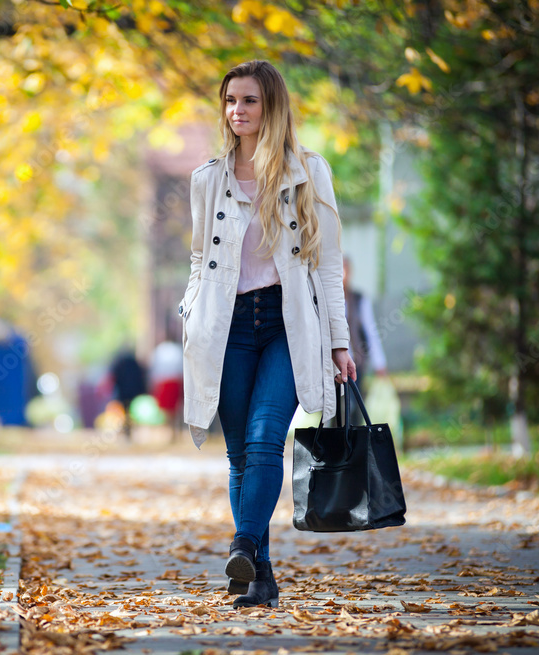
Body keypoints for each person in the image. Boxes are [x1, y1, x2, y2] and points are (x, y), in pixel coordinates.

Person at [178, 60, 356, 609]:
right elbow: (198, 258)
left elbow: (327, 264)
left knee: (263, 440)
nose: (238, 111)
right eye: (230, 100)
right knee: (238, 456)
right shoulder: (208, 178)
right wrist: (190, 310)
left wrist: (339, 341)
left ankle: (241, 545)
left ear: (271, 105)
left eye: (249, 100)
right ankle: (261, 575)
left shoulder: (308, 170)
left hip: (286, 323)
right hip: (226, 324)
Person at [343, 256, 388, 424]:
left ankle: (355, 446)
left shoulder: (359, 299)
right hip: (331, 366)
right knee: (335, 410)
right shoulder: (326, 298)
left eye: (345, 268)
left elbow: (371, 331)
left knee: (355, 407)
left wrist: (379, 363)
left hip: (355, 364)